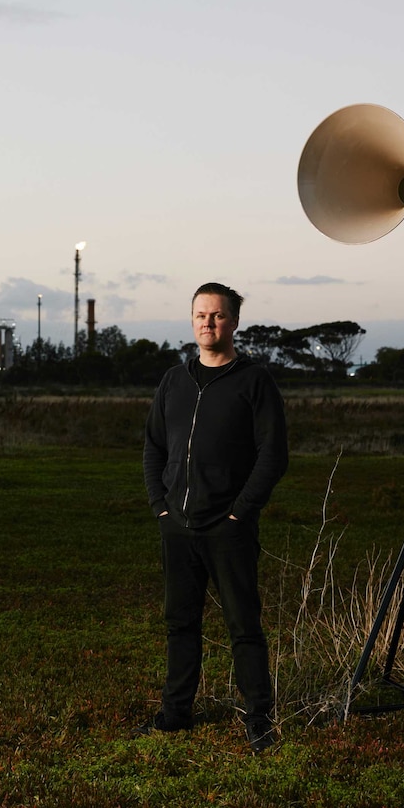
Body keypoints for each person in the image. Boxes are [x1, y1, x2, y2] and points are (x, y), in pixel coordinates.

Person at [139, 282, 289, 752]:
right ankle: (175, 714)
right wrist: (161, 507)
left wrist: (240, 514)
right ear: (192, 320)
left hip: (228, 528)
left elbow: (273, 454)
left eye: (218, 315)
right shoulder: (173, 381)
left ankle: (258, 717)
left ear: (234, 322)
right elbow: (153, 448)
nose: (209, 322)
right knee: (180, 623)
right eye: (201, 315)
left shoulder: (254, 380)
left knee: (244, 624)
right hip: (178, 527)